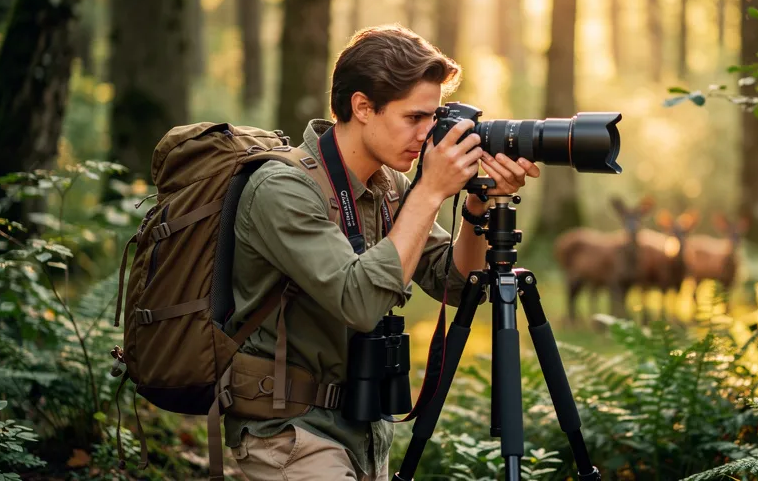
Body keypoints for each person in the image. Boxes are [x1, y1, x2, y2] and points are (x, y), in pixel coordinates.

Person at [223, 24, 541, 480]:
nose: (428, 134)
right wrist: (431, 190)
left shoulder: (388, 184)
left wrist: (474, 205)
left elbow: (454, 282)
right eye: (414, 118)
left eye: (434, 118)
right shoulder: (284, 188)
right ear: (362, 107)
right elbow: (359, 302)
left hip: (364, 424)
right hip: (288, 430)